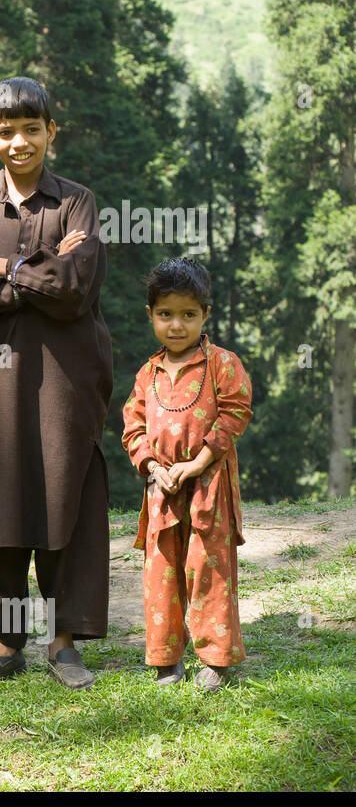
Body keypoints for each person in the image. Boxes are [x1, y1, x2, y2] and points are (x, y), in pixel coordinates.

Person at [0, 75, 113, 690]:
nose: (20, 142)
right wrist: (36, 269)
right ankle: (7, 638)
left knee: (64, 494)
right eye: (6, 131)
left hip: (65, 379)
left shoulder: (78, 202)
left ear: (51, 132)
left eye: (32, 129)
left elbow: (76, 289)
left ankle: (64, 639)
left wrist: (5, 267)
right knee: (0, 502)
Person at [121, 258, 252, 691]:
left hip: (208, 487)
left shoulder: (222, 364)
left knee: (207, 570)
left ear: (205, 315)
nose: (176, 325)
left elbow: (236, 413)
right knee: (161, 573)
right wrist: (155, 468)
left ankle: (215, 660)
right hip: (161, 491)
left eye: (188, 315)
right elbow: (133, 429)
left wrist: (196, 464)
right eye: (165, 314)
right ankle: (165, 660)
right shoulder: (147, 374)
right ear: (150, 315)